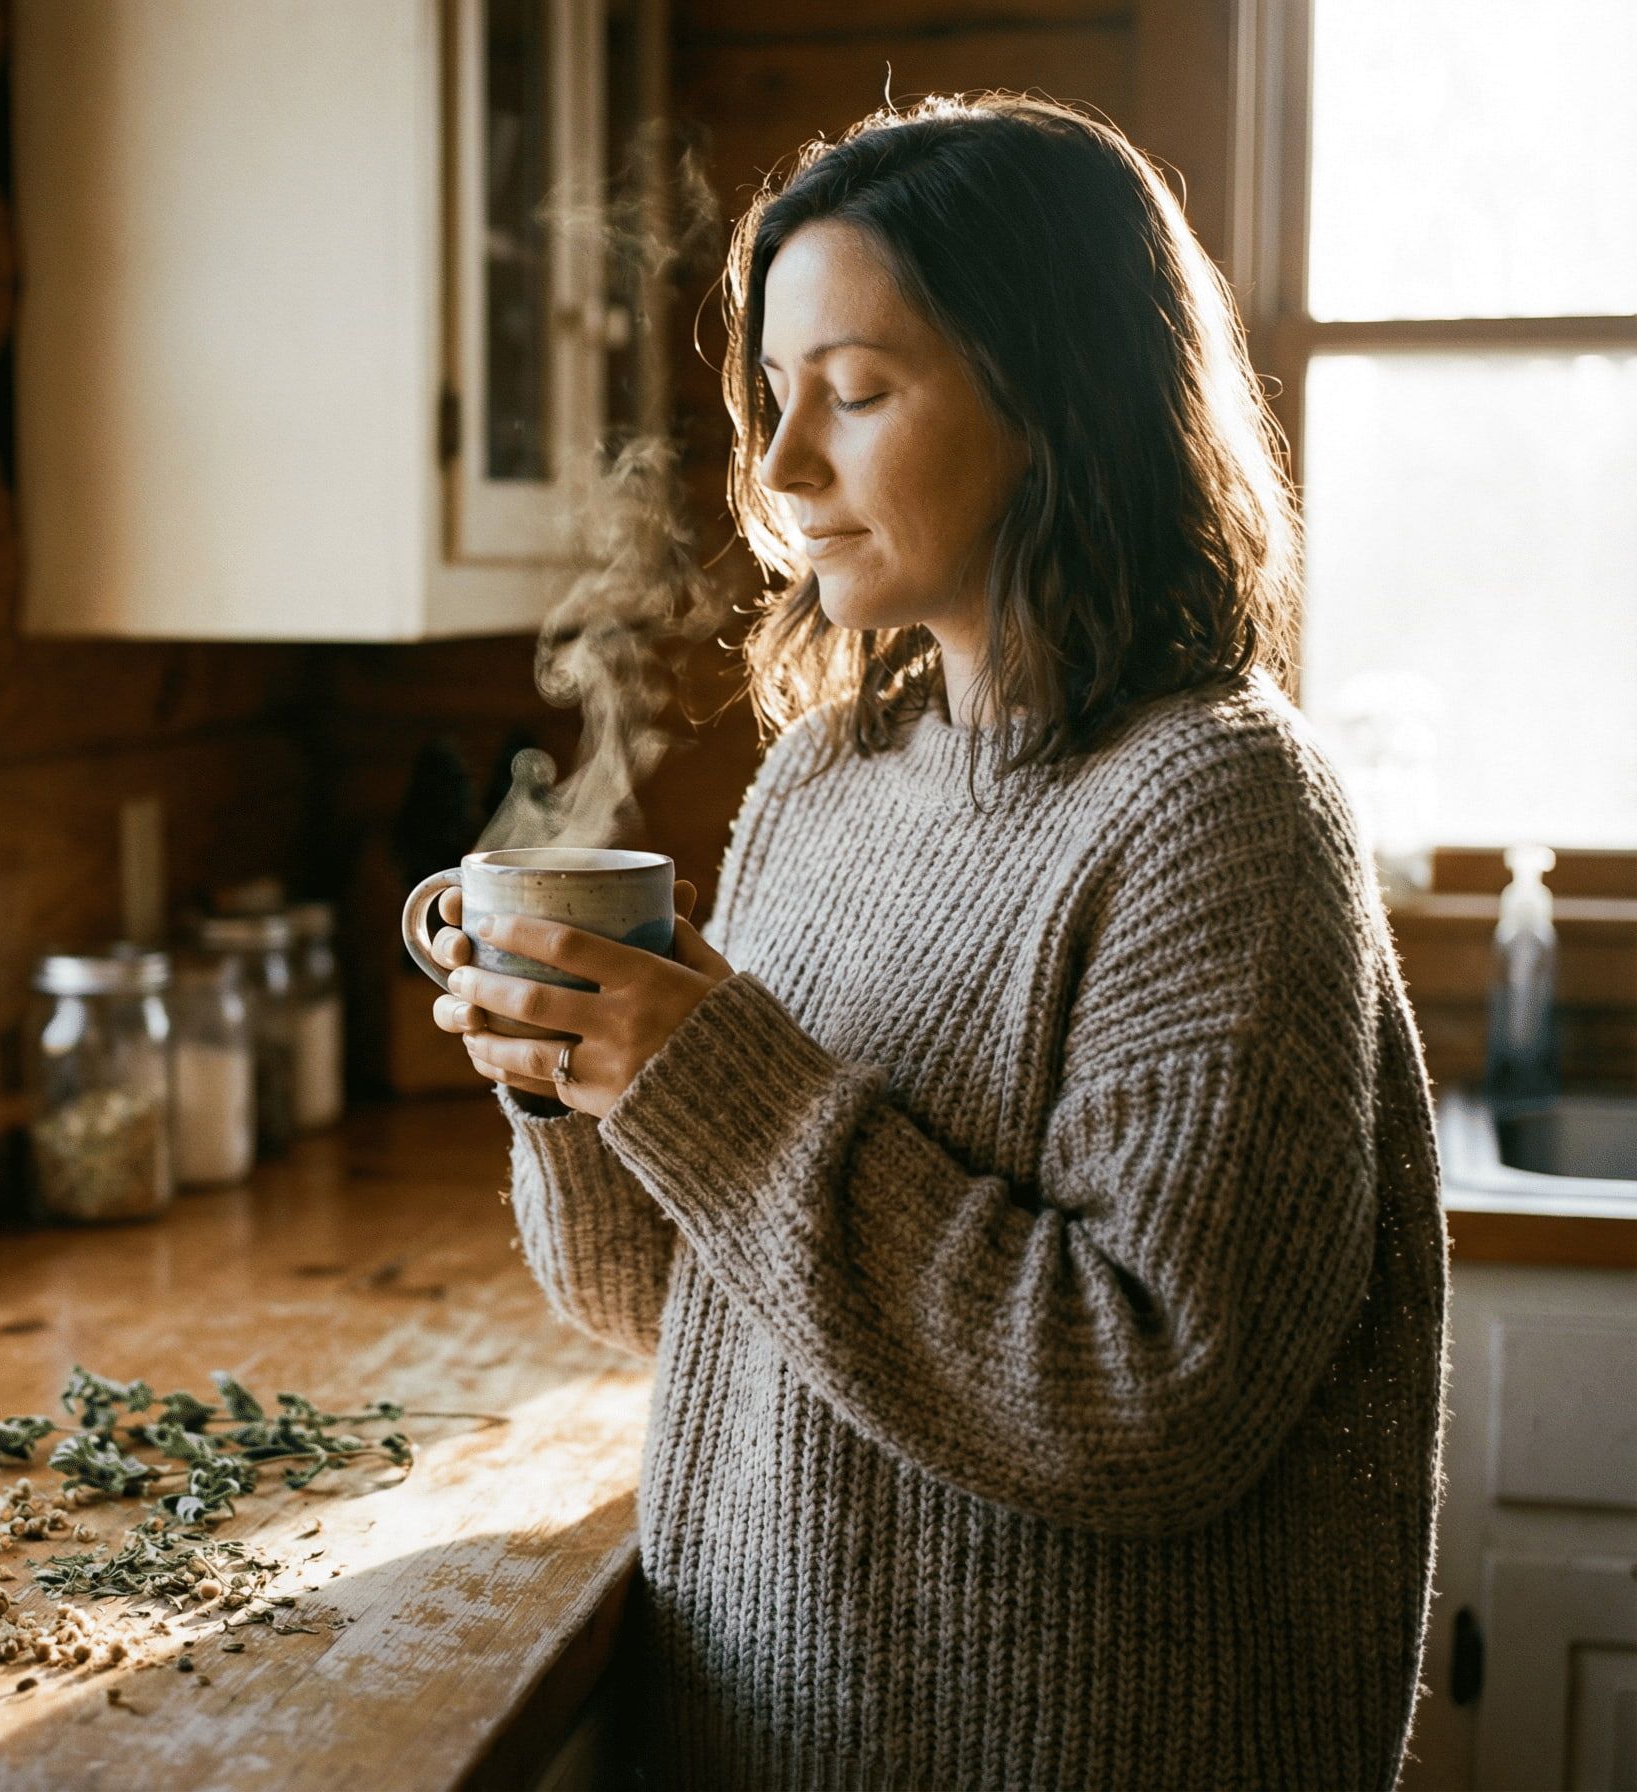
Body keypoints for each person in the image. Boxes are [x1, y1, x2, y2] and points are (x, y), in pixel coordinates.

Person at [427, 94, 1446, 1790]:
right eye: (771, 398)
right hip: (755, 1732)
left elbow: (1146, 1397)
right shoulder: (832, 775)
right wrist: (572, 1079)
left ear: (1056, 405)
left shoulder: (1217, 810)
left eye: (857, 393)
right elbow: (665, 1298)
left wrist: (702, 1079)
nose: (777, 467)